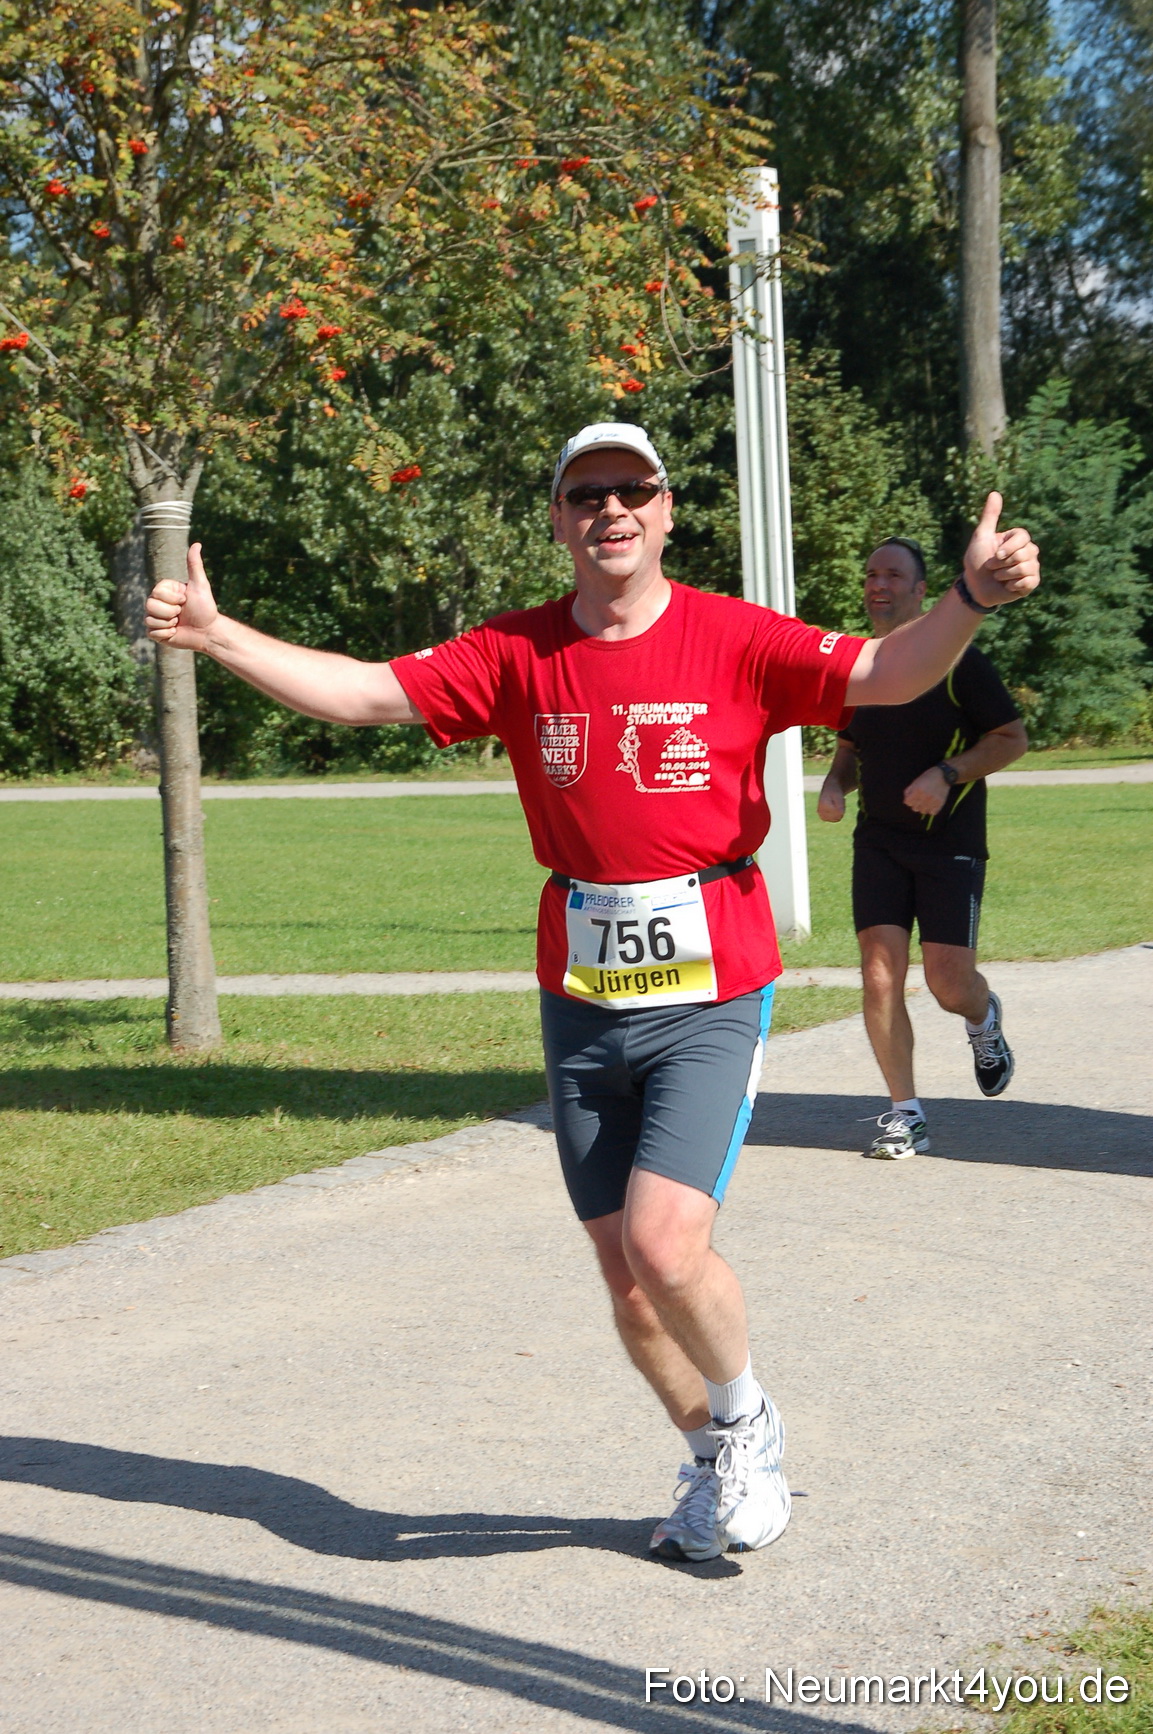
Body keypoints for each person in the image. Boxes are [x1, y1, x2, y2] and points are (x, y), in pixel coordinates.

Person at [146, 424, 1039, 1562]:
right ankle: (714, 1454)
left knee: (668, 1248)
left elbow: (883, 673)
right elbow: (367, 694)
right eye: (588, 495)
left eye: (634, 491)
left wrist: (965, 596)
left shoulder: (734, 635)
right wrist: (219, 636)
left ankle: (750, 1420)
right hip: (580, 994)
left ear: (666, 512)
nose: (612, 511)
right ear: (561, 519)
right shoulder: (518, 654)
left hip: (711, 987)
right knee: (626, 1283)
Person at [817, 536, 1028, 1160]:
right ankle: (904, 1113)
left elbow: (1011, 738)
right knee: (879, 974)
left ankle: (983, 1018)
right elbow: (852, 746)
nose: (878, 584)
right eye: (871, 573)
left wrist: (949, 773)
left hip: (950, 844)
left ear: (919, 590)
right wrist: (835, 781)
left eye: (893, 575)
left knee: (946, 983)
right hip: (879, 840)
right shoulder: (858, 667)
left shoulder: (961, 663)